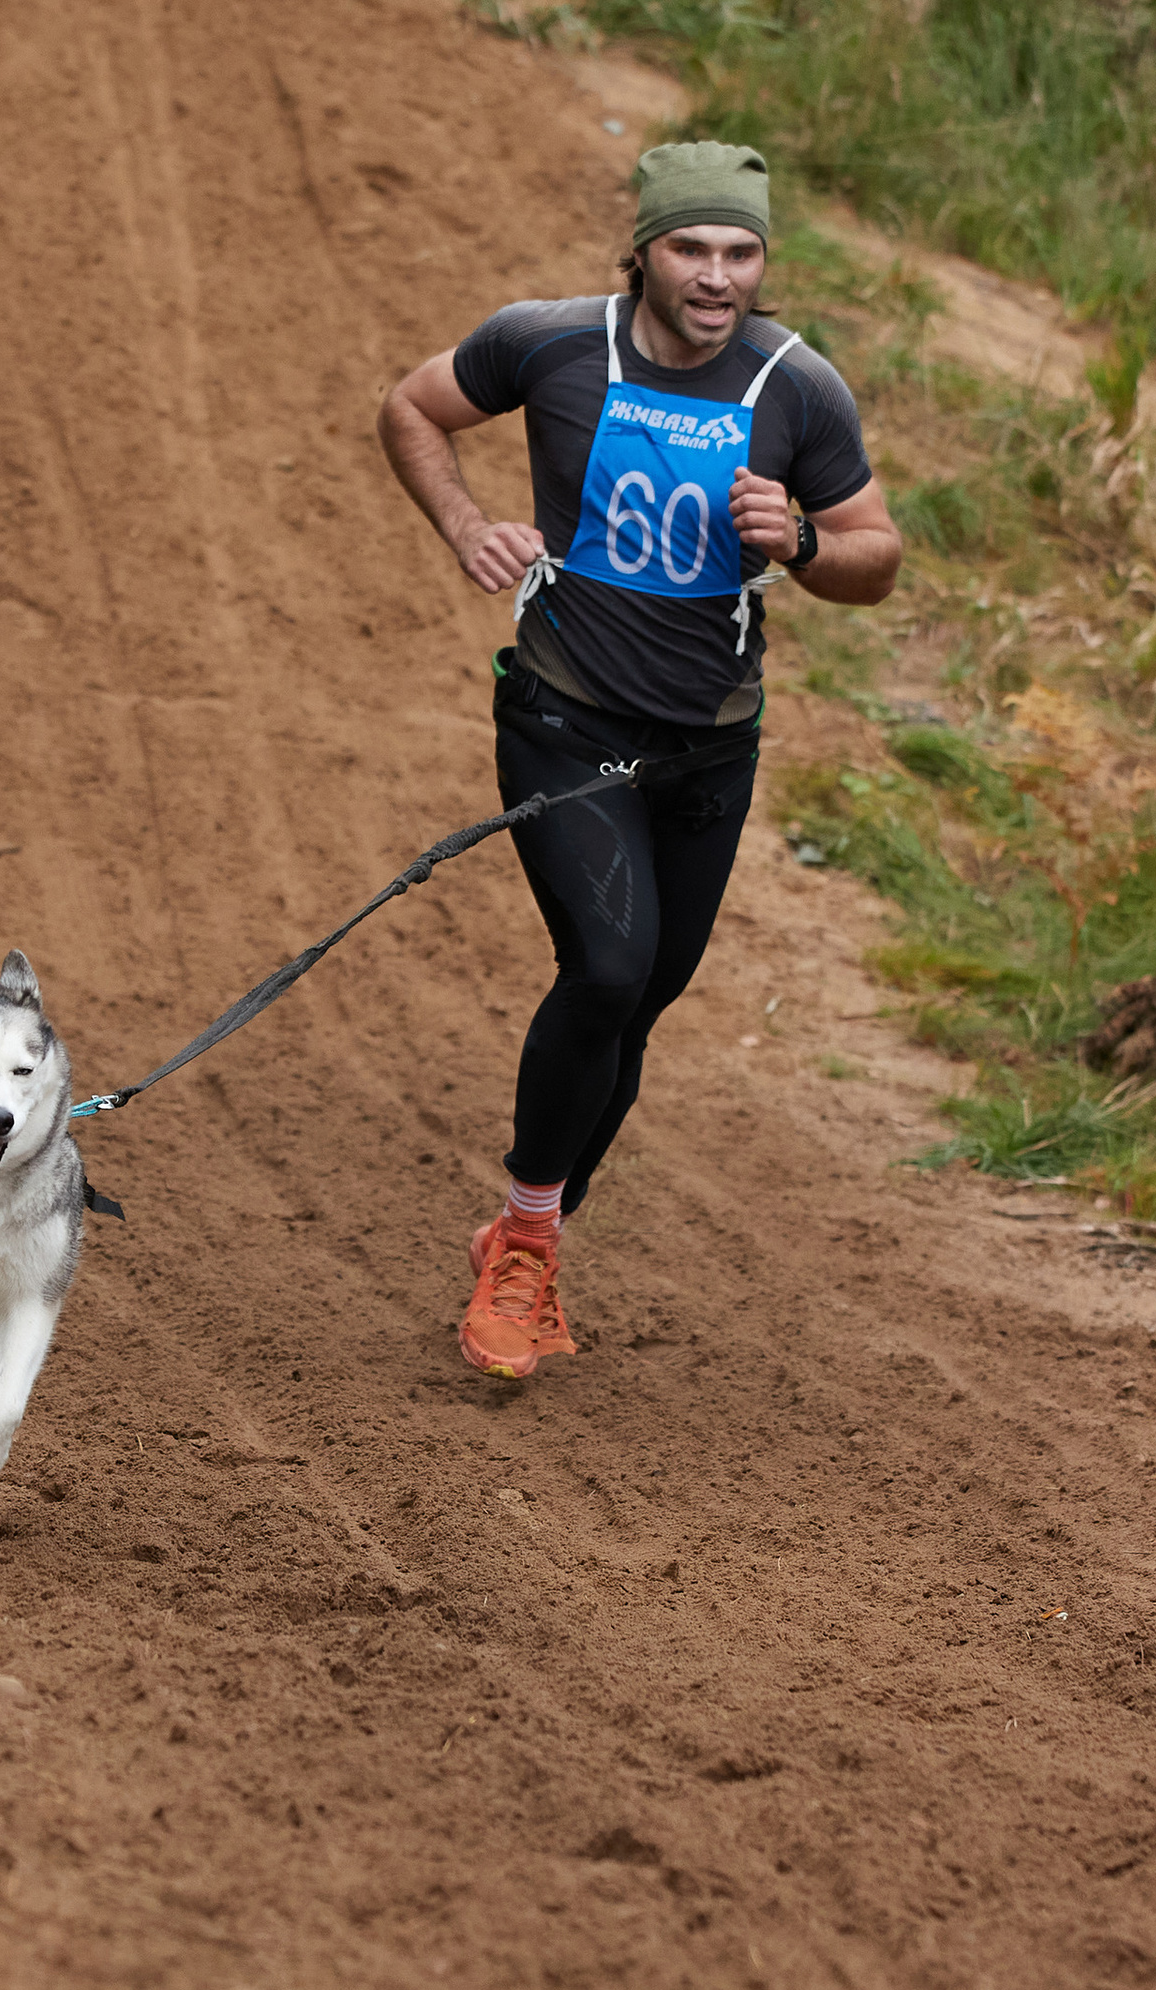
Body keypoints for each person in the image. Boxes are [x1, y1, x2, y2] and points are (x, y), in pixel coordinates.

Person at [377, 141, 901, 1379]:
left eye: (741, 252)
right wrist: (464, 523)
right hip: (566, 715)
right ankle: (526, 1256)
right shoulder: (550, 343)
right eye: (692, 248)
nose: (717, 275)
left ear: (763, 263)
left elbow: (878, 553)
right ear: (644, 251)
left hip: (708, 749)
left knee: (643, 1000)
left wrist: (808, 539)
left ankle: (529, 1224)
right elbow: (411, 407)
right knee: (606, 969)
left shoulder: (796, 386)